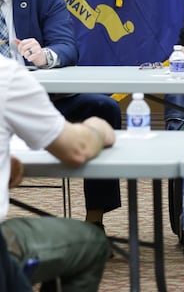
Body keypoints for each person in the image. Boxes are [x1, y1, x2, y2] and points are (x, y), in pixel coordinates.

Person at [0, 0, 121, 229]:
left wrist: (45, 55)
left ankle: (95, 219)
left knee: (103, 108)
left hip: (42, 102)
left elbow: (67, 47)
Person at [0, 55, 114, 291]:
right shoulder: (6, 75)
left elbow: (65, 46)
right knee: (91, 243)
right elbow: (77, 149)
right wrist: (98, 129)